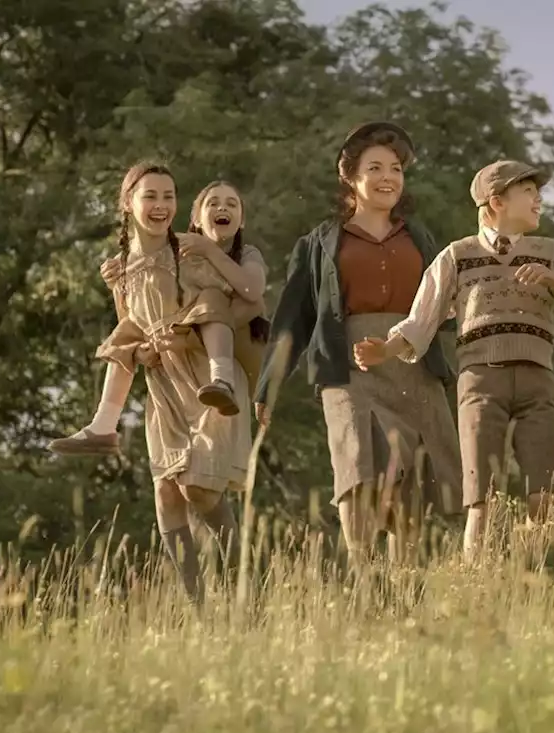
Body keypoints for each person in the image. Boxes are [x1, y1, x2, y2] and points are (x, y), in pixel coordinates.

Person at [353, 160, 554, 556]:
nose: (538, 199)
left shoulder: (549, 253)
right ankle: (478, 584)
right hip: (480, 382)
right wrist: (386, 349)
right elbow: (422, 319)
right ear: (496, 201)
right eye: (528, 191)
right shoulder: (457, 257)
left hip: (537, 381)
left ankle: (532, 575)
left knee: (543, 497)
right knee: (482, 499)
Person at [254, 121, 463, 561]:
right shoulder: (320, 243)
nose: (388, 177)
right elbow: (293, 317)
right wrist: (268, 386)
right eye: (375, 168)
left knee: (411, 480)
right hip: (347, 367)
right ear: (350, 175)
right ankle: (364, 576)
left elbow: (443, 302)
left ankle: (405, 587)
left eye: (395, 169)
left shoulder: (419, 237)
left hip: (412, 362)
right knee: (357, 464)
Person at [93, 161, 252, 604]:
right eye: (151, 196)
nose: (161, 205)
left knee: (199, 489)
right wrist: (143, 349)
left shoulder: (191, 251)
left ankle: (247, 593)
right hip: (164, 384)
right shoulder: (121, 268)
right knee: (166, 493)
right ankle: (197, 606)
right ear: (128, 204)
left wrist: (183, 333)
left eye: (168, 196)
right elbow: (130, 328)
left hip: (207, 381)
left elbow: (238, 301)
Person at [48, 180, 268, 456]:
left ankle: (221, 380)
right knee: (126, 333)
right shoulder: (178, 255)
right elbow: (140, 310)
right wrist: (120, 279)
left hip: (228, 357)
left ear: (242, 220)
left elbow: (253, 294)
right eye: (213, 203)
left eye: (231, 204)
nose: (222, 207)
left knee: (211, 299)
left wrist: (208, 251)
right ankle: (103, 424)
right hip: (178, 356)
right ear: (196, 219)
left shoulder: (245, 255)